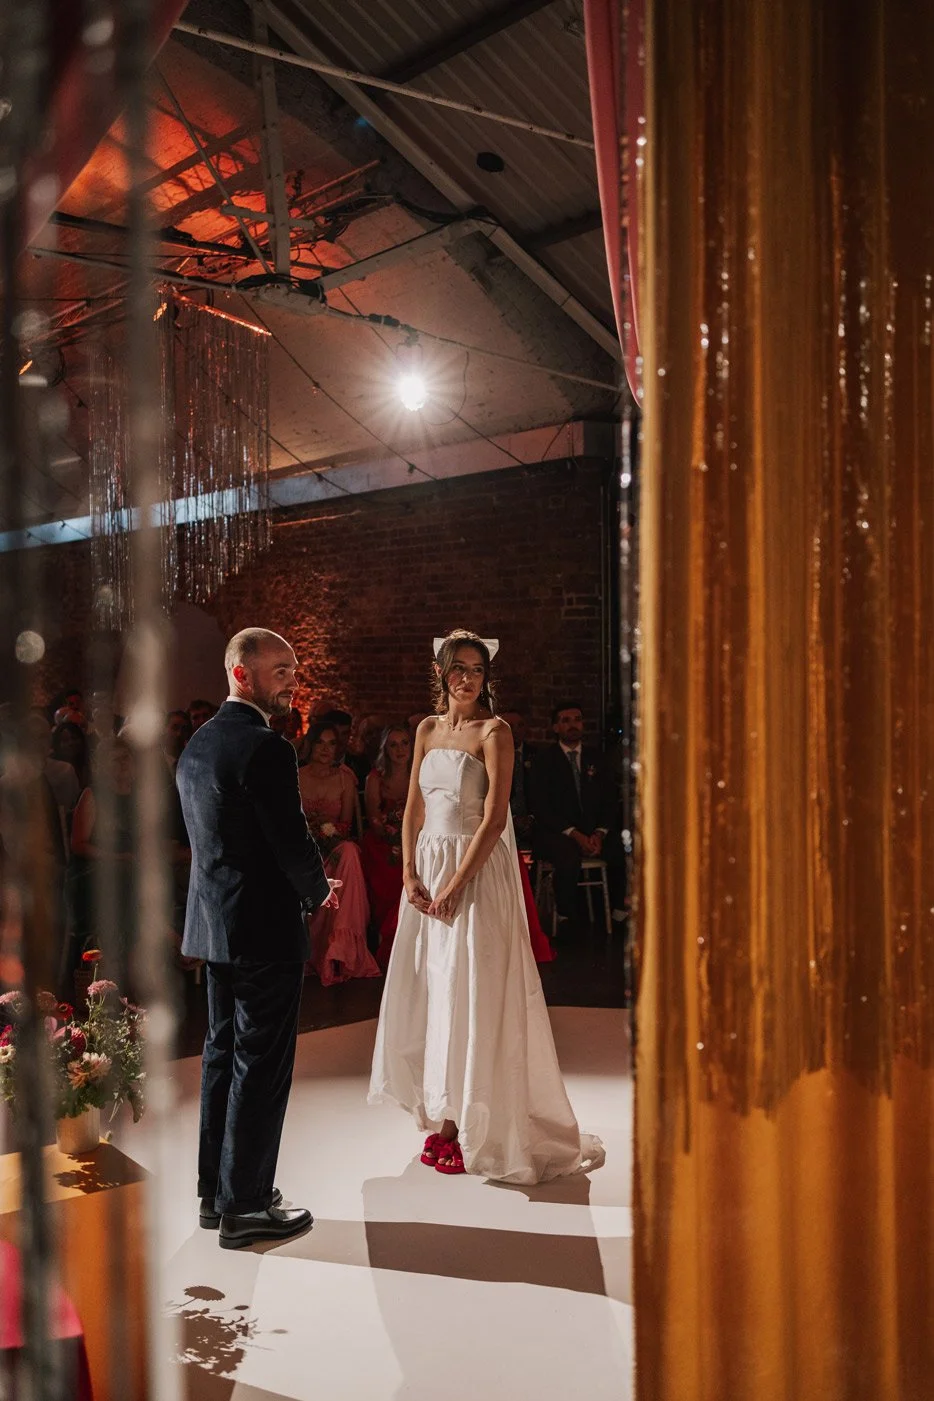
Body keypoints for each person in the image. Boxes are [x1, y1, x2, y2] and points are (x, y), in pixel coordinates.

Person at [369, 629, 603, 1183]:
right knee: (433, 989)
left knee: (472, 989)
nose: (467, 678)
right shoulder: (425, 729)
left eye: (476, 669)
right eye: (458, 668)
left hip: (475, 871)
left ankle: (471, 1120)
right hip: (427, 867)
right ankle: (444, 1109)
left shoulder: (495, 732)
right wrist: (409, 872)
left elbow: (496, 819)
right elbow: (412, 810)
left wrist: (454, 885)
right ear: (442, 673)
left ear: (485, 677)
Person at [176, 627, 340, 1250]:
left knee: (222, 1055)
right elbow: (289, 838)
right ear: (242, 674)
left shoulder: (198, 743)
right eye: (280, 672)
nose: (291, 682)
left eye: (293, 671)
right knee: (260, 1063)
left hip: (216, 926)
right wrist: (319, 890)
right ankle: (247, 1204)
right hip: (263, 929)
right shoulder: (264, 747)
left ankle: (216, 1197)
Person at [529, 702, 627, 928]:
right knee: (567, 855)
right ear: (555, 728)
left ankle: (619, 911)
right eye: (566, 721)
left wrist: (599, 833)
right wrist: (575, 834)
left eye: (577, 719)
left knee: (622, 845)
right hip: (557, 831)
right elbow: (540, 805)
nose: (573, 725)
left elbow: (611, 799)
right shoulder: (544, 761)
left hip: (593, 829)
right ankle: (566, 916)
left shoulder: (597, 758)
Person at [297, 722, 379, 987]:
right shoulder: (297, 776)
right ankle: (316, 951)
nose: (325, 749)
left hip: (333, 850)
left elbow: (345, 827)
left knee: (351, 852)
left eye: (332, 744)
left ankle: (342, 952)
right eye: (321, 742)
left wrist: (327, 835)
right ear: (311, 745)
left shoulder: (345, 779)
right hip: (302, 851)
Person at [361, 726, 411, 970]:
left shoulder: (420, 774)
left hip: (413, 841)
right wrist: (392, 833)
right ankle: (385, 937)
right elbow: (374, 820)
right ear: (385, 749)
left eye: (404, 743)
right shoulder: (375, 778)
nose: (400, 750)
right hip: (384, 840)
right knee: (385, 864)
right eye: (393, 745)